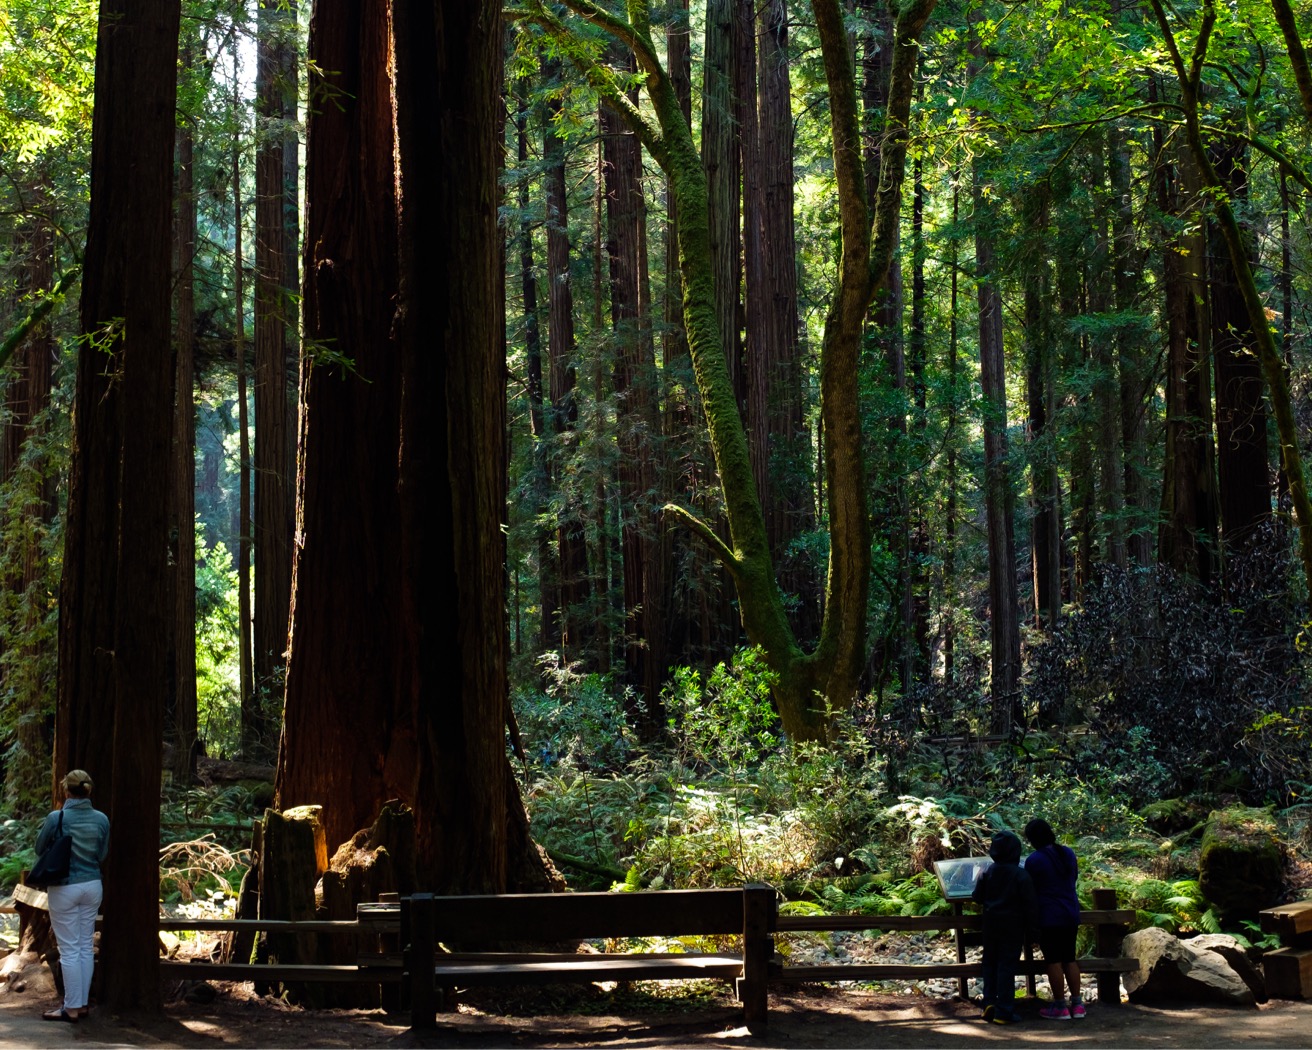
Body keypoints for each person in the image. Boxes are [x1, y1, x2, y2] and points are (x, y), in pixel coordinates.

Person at [34, 769, 110, 1023]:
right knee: (85, 946)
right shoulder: (101, 819)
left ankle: (71, 1008)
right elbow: (101, 855)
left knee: (68, 949)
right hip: (92, 885)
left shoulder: (58, 817)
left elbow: (39, 847)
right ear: (89, 790)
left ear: (66, 790)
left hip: (65, 886)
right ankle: (82, 1004)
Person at [971, 829, 1038, 1024]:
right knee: (1006, 966)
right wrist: (1033, 931)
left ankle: (989, 1003)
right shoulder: (1021, 875)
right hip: (1013, 926)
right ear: (1016, 851)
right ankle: (1004, 1010)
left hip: (990, 925)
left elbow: (977, 897)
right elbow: (1030, 905)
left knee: (989, 964)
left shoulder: (987, 872)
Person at [1024, 817, 1084, 1020]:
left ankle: (1060, 1006)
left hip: (1049, 915)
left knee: (1053, 960)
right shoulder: (1067, 853)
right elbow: (1072, 878)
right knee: (1070, 958)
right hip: (1070, 912)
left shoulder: (1034, 860)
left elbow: (1030, 890)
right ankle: (1077, 1005)